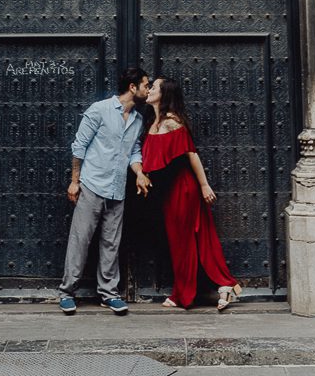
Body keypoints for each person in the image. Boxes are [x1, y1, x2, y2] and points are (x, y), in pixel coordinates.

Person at [141, 74, 242, 311]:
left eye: (153, 87)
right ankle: (225, 286)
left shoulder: (172, 122)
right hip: (169, 191)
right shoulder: (154, 123)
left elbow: (191, 154)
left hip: (183, 189)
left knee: (183, 242)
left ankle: (183, 294)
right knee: (189, 241)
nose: (149, 90)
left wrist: (204, 185)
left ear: (163, 94)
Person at [58, 66, 151, 315]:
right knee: (81, 239)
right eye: (146, 84)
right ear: (133, 88)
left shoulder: (138, 120)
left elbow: (134, 151)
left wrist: (140, 173)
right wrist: (75, 181)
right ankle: (67, 292)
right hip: (92, 184)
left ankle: (109, 294)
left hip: (117, 188)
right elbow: (79, 147)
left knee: (111, 242)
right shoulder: (99, 110)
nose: (148, 89)